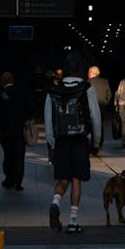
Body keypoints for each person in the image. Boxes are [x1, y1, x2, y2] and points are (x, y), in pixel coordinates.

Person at [45, 56, 101, 234]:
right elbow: (95, 116)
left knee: (63, 177)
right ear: (80, 70)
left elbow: (48, 117)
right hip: (79, 139)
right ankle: (73, 222)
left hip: (61, 140)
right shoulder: (87, 88)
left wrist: (52, 142)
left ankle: (55, 203)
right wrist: (96, 141)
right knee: (76, 179)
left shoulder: (54, 89)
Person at [0, 70, 31, 191]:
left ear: (2, 82)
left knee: (8, 156)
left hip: (5, 130)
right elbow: (31, 108)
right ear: (13, 80)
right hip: (20, 130)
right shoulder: (22, 92)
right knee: (19, 156)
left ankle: (9, 180)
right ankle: (18, 182)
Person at [86, 66, 112, 153]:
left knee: (91, 124)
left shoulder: (87, 82)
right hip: (102, 106)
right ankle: (99, 143)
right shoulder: (105, 81)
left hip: (91, 106)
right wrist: (105, 102)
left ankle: (92, 143)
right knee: (101, 125)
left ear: (91, 73)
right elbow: (109, 94)